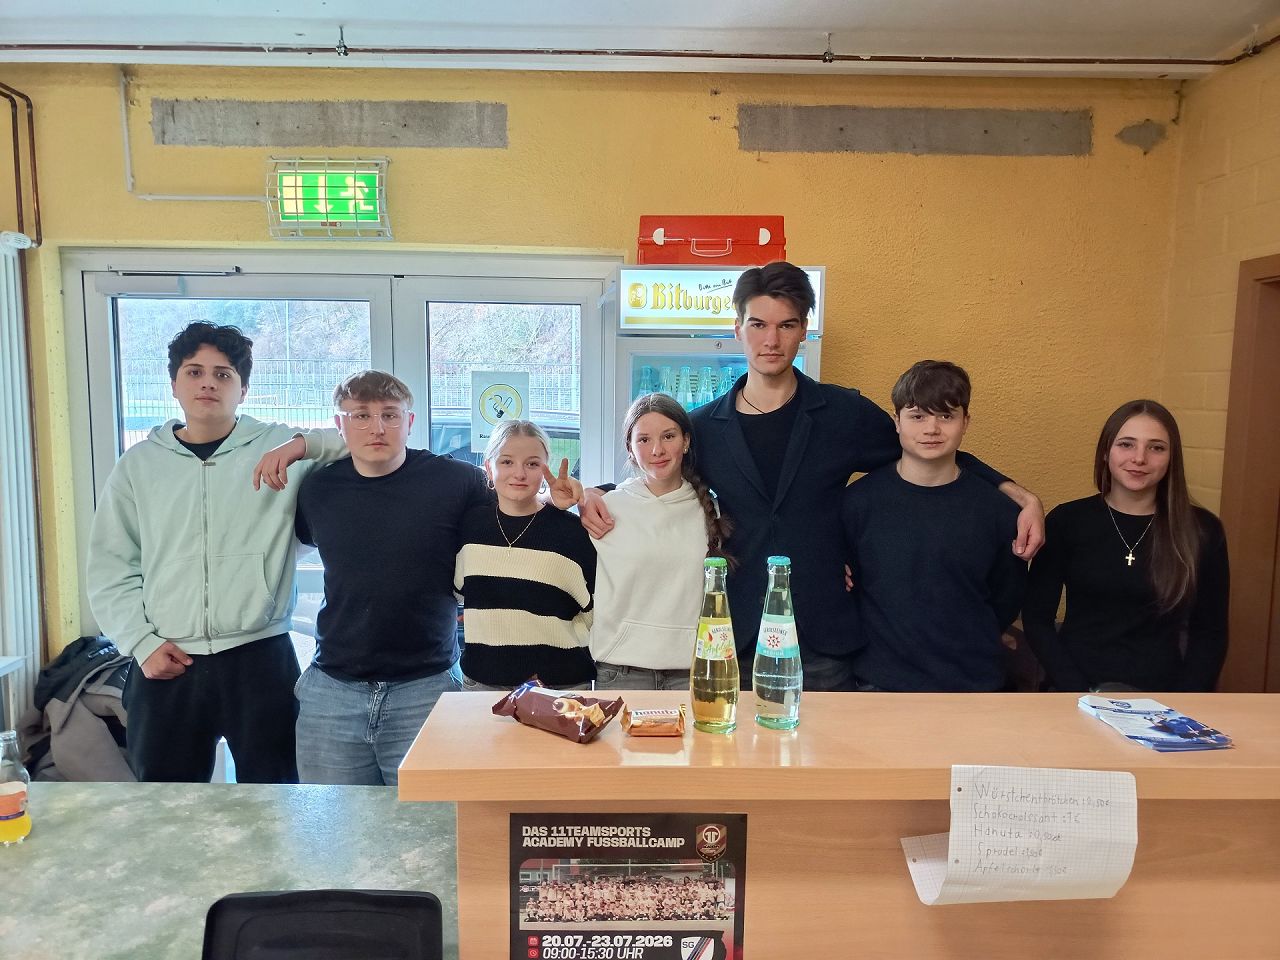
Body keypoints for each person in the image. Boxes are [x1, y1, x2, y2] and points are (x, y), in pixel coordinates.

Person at [583, 261, 1044, 691]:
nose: (771, 340)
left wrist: (1014, 492)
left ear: (804, 330)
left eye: (786, 325)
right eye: (758, 325)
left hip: (824, 633)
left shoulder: (843, 413)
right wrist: (593, 494)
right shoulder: (705, 427)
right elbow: (656, 474)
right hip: (737, 633)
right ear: (737, 328)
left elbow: (928, 448)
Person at [86, 322, 347, 782]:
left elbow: (360, 440)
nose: (208, 383)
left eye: (223, 374)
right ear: (174, 385)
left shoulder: (276, 445)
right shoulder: (138, 465)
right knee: (167, 803)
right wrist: (142, 643)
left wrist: (302, 444)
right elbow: (110, 566)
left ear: (242, 390)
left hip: (260, 656)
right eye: (194, 372)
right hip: (166, 659)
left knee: (275, 798)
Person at [292, 371, 490, 785]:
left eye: (389, 414)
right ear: (340, 424)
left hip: (426, 689)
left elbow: (520, 502)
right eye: (361, 415)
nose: (377, 427)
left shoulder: (457, 481)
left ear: (409, 421)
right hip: (333, 693)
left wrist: (583, 496)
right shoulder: (317, 489)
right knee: (333, 821)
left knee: (431, 820)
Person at [841, 361, 1027, 691]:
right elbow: (849, 589)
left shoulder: (1000, 511)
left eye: (946, 416)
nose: (931, 429)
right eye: (917, 416)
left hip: (973, 683)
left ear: (965, 422)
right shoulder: (857, 502)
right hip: (879, 683)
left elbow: (1007, 597)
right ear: (896, 421)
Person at [1022, 399, 1229, 692]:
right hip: (1074, 693)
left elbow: (1210, 632)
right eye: (1126, 444)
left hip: (1163, 698)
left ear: (1172, 458)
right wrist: (1079, 692)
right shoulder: (1067, 521)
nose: (1139, 458)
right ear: (1106, 452)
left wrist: (1183, 702)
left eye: (1156, 447)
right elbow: (1037, 619)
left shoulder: (1202, 530)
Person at [591, 393, 731, 691]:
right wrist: (558, 496)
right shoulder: (606, 507)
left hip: (693, 672)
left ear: (686, 441)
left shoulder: (711, 510)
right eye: (644, 440)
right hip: (621, 672)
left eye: (668, 436)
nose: (657, 450)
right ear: (630, 448)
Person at [455, 419, 596, 689]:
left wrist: (555, 648)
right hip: (483, 685)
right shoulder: (469, 527)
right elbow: (459, 592)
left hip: (558, 688)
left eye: (532, 464)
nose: (519, 473)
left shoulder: (573, 533)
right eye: (507, 462)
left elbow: (595, 611)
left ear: (545, 470)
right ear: (489, 468)